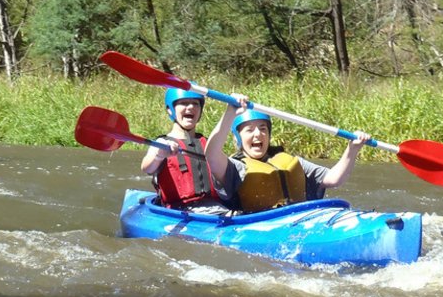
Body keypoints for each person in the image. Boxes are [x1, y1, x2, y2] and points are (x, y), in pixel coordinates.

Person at [205, 94, 370, 213]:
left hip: (301, 219)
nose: (258, 134)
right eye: (249, 130)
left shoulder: (290, 161)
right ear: (238, 138)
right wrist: (230, 113)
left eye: (263, 129)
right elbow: (211, 154)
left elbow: (334, 179)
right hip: (259, 226)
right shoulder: (235, 168)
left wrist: (352, 149)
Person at [140, 87, 229, 214]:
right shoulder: (161, 144)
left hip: (215, 208)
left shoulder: (207, 143)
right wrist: (159, 155)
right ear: (170, 110)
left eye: (195, 103)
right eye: (184, 103)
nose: (191, 107)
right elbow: (146, 168)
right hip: (178, 211)